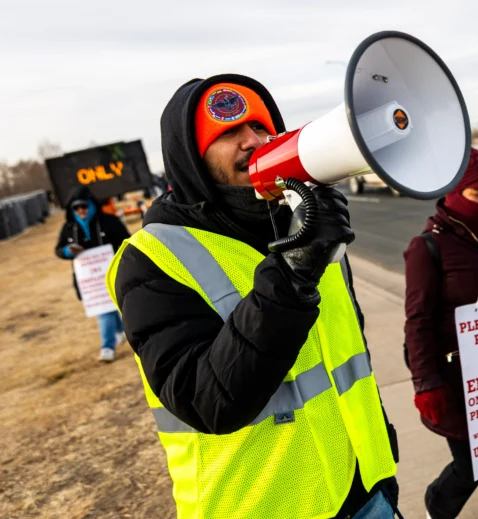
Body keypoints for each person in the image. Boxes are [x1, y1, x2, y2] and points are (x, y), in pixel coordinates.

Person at [104, 74, 399, 519]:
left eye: (261, 128)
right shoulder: (150, 259)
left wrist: (381, 453)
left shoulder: (303, 225)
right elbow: (209, 401)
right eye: (227, 133)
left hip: (365, 489)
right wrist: (292, 274)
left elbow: (348, 354)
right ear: (190, 158)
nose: (252, 141)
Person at [404, 148, 478, 519]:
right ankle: (438, 503)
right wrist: (426, 383)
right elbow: (417, 320)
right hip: (453, 374)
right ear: (454, 194)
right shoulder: (428, 248)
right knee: (472, 464)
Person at [54, 186, 130, 362]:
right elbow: (57, 250)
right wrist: (67, 251)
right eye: (76, 207)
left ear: (92, 205)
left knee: (109, 308)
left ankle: (107, 347)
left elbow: (127, 242)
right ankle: (114, 338)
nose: (81, 211)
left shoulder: (110, 221)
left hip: (113, 273)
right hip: (91, 282)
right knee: (104, 309)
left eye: (84, 206)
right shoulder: (68, 228)